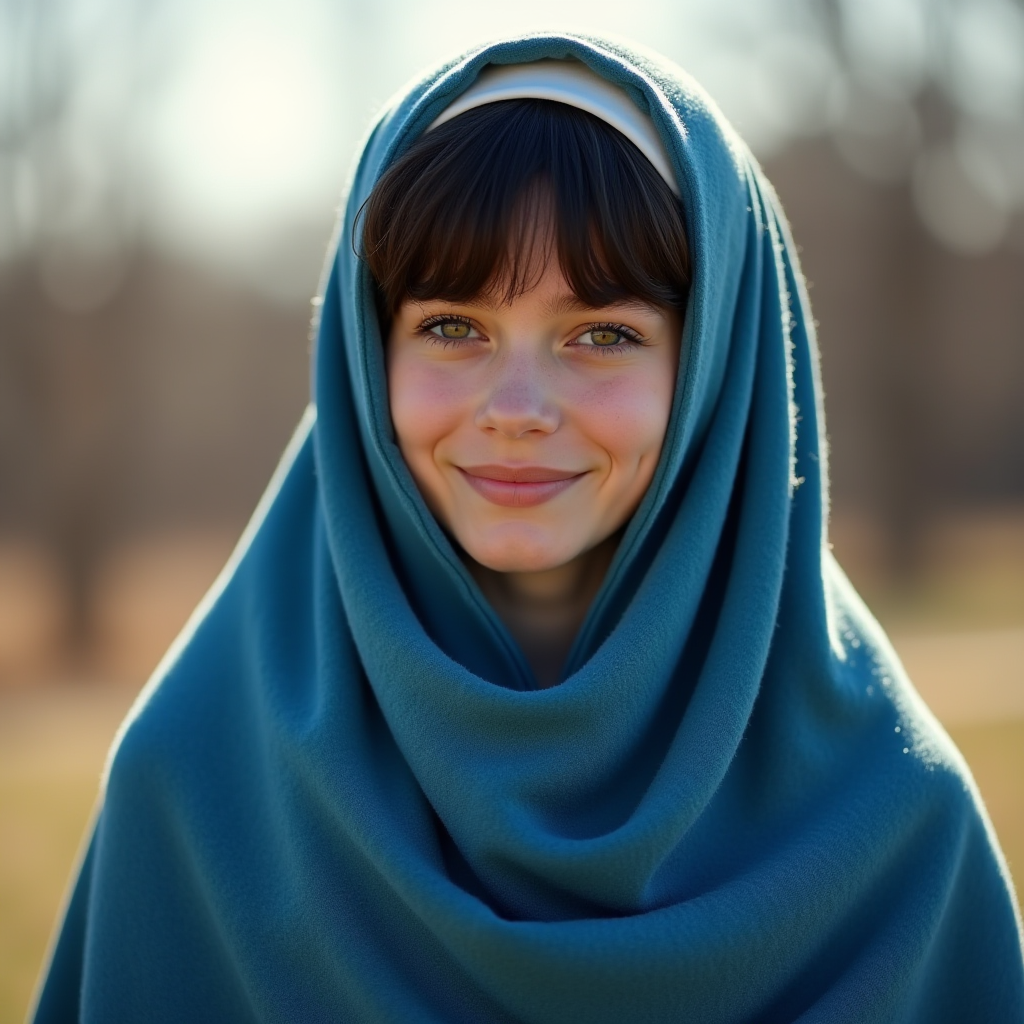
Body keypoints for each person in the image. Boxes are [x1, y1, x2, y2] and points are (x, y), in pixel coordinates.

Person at [32, 35, 1024, 1023]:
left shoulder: (897, 822)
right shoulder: (196, 785)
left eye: (603, 334)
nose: (516, 407)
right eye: (451, 327)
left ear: (719, 371)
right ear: (364, 354)